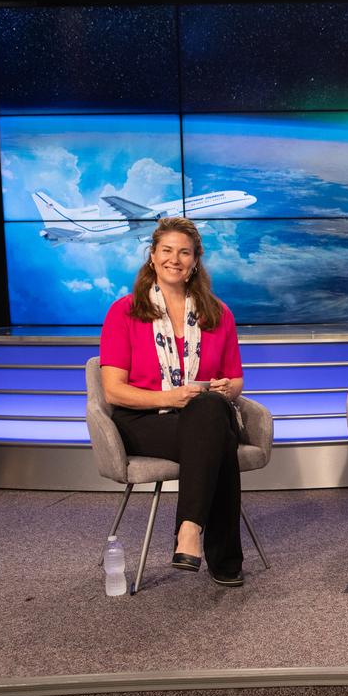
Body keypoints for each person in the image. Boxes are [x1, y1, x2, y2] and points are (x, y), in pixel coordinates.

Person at [99, 217, 248, 587]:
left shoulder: (219, 313)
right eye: (167, 251)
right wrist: (171, 398)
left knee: (212, 411)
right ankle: (220, 555)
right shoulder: (124, 311)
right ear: (152, 257)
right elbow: (113, 391)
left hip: (201, 418)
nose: (175, 259)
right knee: (219, 436)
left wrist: (225, 389)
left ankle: (189, 530)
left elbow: (237, 379)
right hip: (143, 420)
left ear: (196, 261)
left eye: (185, 252)